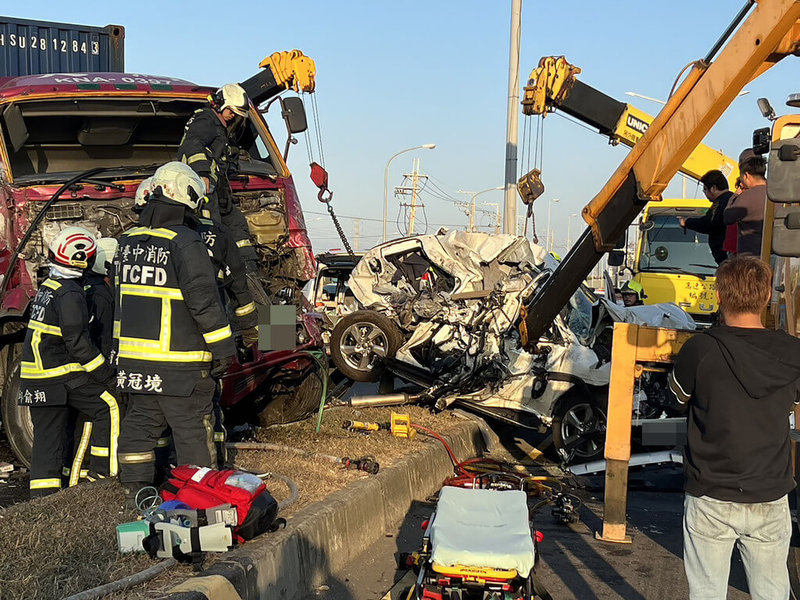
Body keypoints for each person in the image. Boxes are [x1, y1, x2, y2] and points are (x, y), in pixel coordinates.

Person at [669, 256, 800, 598]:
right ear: (767, 295)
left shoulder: (700, 349)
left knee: (707, 591)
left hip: (711, 492)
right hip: (770, 492)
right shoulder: (792, 352)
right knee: (772, 591)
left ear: (720, 295)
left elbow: (676, 397)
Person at [115, 162, 235, 500]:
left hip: (136, 364)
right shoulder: (188, 241)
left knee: (138, 429)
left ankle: (137, 493)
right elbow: (207, 301)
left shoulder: (126, 242)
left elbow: (117, 303)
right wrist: (226, 348)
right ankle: (200, 498)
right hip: (181, 364)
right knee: (193, 433)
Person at [20, 227, 118, 498]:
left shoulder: (50, 286)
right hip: (58, 376)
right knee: (108, 404)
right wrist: (105, 374)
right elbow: (77, 342)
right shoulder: (70, 293)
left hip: (36, 379)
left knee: (48, 443)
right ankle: (104, 478)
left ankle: (43, 502)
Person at [177, 83, 259, 272]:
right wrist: (203, 174)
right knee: (211, 231)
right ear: (221, 104)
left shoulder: (219, 126)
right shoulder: (205, 119)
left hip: (220, 190)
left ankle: (250, 272)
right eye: (231, 111)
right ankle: (216, 274)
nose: (233, 116)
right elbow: (191, 145)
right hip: (205, 192)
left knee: (238, 226)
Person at [677, 170, 734, 265]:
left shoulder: (721, 203)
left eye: (705, 190)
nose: (704, 193)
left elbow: (709, 223)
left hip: (726, 259)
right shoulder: (730, 199)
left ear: (713, 188)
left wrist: (687, 222)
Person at [723, 154, 767, 257]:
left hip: (749, 257)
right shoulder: (777, 193)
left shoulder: (746, 196)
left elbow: (728, 217)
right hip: (773, 255)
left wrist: (735, 196)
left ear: (746, 176)